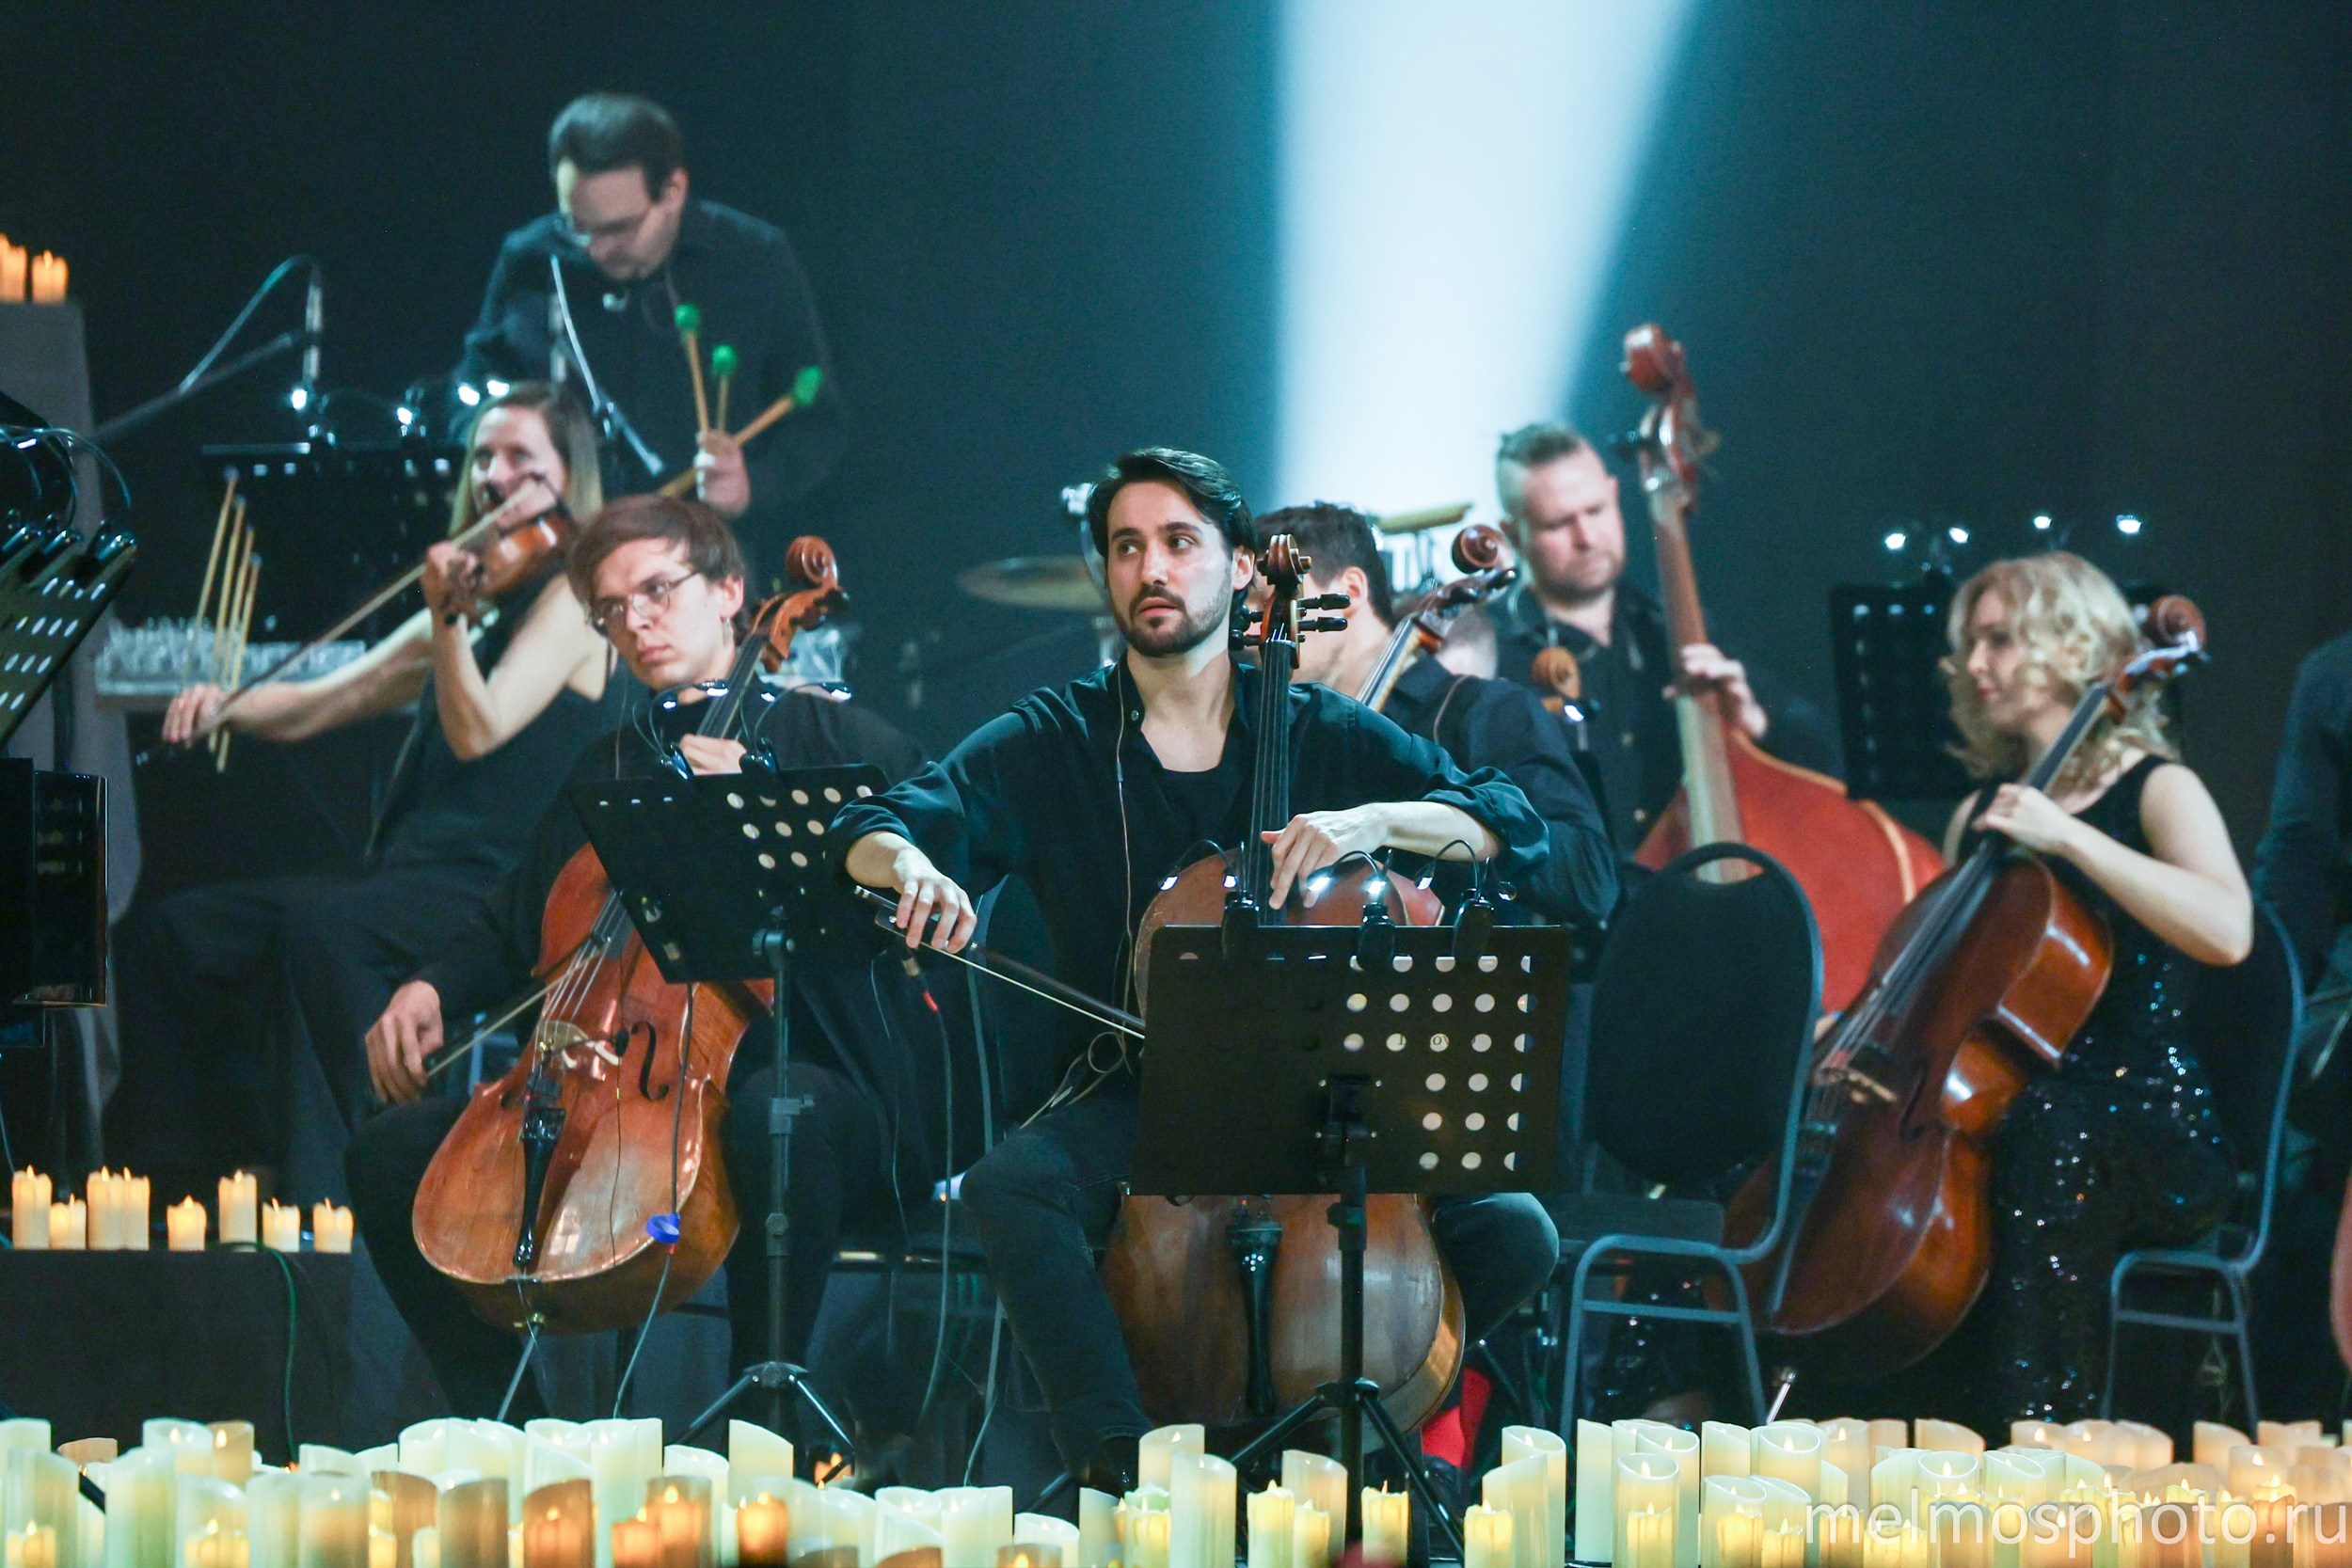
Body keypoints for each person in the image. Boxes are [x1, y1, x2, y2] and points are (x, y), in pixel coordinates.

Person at [833, 447, 1562, 1488]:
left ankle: (1348, 1442)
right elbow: (875, 825)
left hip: (1320, 1097)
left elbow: (1511, 825)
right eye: (1128, 546)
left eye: (1180, 542)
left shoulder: (1320, 731)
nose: (1152, 568)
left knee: (1516, 1231)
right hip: (1142, 1089)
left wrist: (1368, 818)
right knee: (1009, 1187)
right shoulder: (1054, 737)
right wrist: (912, 868)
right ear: (1108, 575)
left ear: (1236, 568)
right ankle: (1125, 1470)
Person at [345, 494, 931, 1419]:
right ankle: (509, 1424)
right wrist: (427, 985)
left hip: (822, 1089)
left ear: (734, 590)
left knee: (782, 1111)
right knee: (389, 1153)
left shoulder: (836, 739)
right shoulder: (610, 767)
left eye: (657, 588)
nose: (636, 619)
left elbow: (923, 885)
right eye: (611, 607)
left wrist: (768, 807)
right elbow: (508, 923)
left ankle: (760, 1422)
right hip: (613, 1088)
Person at [107, 384, 617, 1204]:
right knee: (177, 935)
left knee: (325, 929)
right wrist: (225, 706)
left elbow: (477, 730)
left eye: (522, 457)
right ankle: (181, 1184)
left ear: (570, 477)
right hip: (407, 880)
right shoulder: (471, 609)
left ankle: (350, 1190)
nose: (493, 474)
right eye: (483, 456)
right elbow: (325, 699)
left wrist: (446, 616)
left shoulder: (577, 599)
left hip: (501, 887)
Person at [1911, 551, 2251, 1427]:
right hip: (2022, 1105)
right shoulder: (1980, 812)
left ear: (2072, 646)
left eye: (2001, 640)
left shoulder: (2158, 787)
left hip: (2149, 1121)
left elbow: (2227, 929)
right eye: (1969, 645)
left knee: (2046, 1135)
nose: (1974, 665)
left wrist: (2070, 836)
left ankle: (2042, 1459)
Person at [456, 91, 843, 566]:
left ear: (673, 191)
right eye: (579, 227)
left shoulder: (752, 259)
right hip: (561, 562)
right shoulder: (531, 260)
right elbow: (475, 394)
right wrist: (503, 469)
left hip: (707, 562)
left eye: (617, 229)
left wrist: (753, 486)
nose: (595, 251)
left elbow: (818, 421)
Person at [1466, 421, 1833, 853]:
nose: (1586, 538)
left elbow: (1825, 761)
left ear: (1615, 495)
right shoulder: (1489, 656)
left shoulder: (1677, 629)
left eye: (1596, 511)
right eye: (1558, 524)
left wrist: (1756, 722)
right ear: (1513, 534)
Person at [1253, 501, 1616, 929]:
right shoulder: (1288, 734)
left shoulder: (1485, 711)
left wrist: (1395, 823)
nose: (1259, 629)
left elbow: (1590, 879)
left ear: (1349, 593)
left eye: (1267, 603)